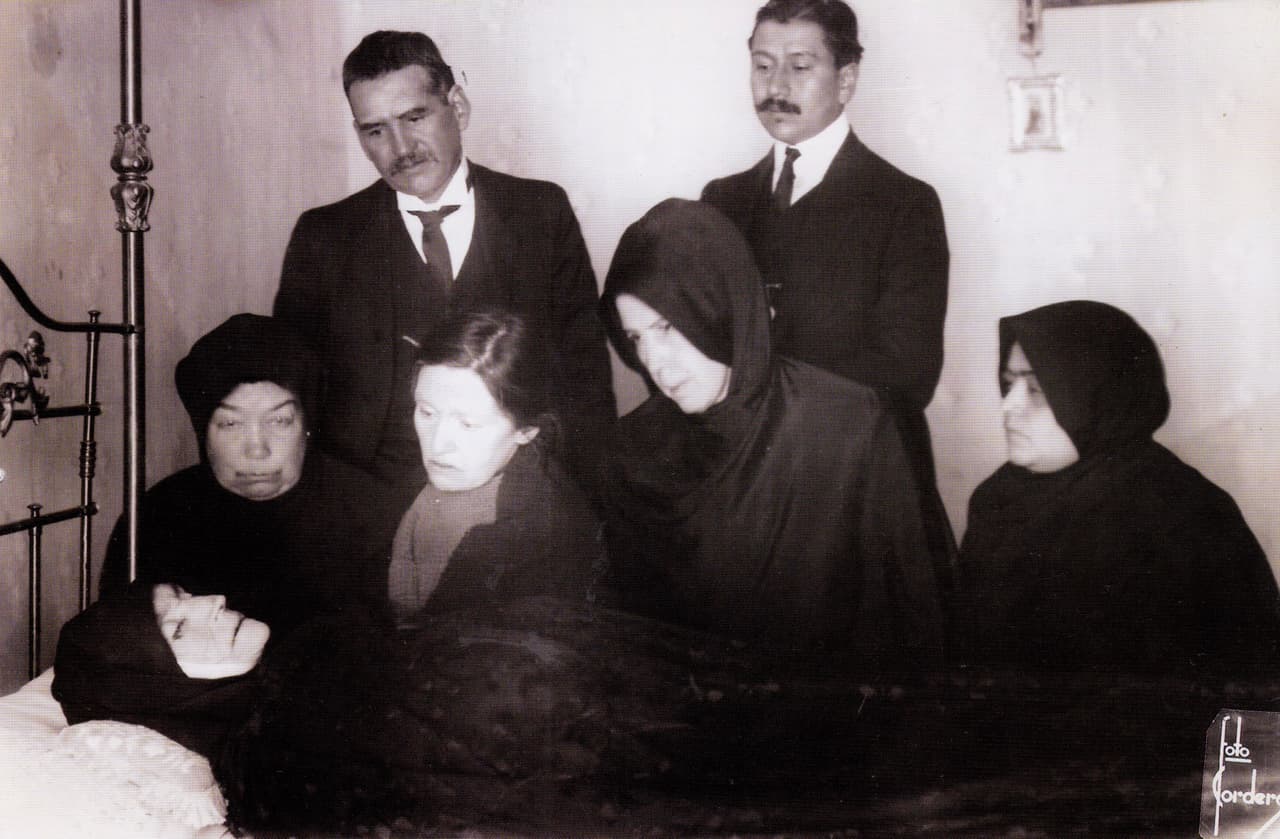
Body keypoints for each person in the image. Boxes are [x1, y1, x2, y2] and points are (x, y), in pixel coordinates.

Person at [599, 198, 946, 669]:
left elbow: (909, 622)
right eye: (636, 338)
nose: (655, 362)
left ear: (721, 306)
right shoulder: (633, 451)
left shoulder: (849, 426)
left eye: (667, 327)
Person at [274, 30, 615, 499]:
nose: (400, 146)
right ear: (359, 135)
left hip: (517, 500)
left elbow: (586, 380)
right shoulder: (323, 236)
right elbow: (293, 395)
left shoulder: (540, 212)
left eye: (415, 117)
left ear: (457, 106)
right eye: (376, 130)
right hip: (368, 507)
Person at [700, 0, 954, 591]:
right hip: (746, 483)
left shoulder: (904, 204)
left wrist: (758, 363)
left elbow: (909, 374)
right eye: (763, 67)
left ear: (847, 79)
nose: (776, 87)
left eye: (799, 66)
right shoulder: (721, 200)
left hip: (861, 487)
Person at [958, 300, 1280, 676]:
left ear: (1100, 397)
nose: (1007, 407)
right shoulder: (997, 499)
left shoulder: (1183, 517)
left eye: (1037, 389)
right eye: (1009, 384)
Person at [99, 313, 401, 633]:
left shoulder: (374, 514)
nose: (257, 449)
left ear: (307, 424)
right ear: (203, 430)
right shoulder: (156, 520)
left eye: (279, 421)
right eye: (231, 424)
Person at [386, 308, 603, 627]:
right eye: (427, 412)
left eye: (468, 424)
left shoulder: (545, 536)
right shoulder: (429, 475)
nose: (438, 444)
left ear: (526, 430)